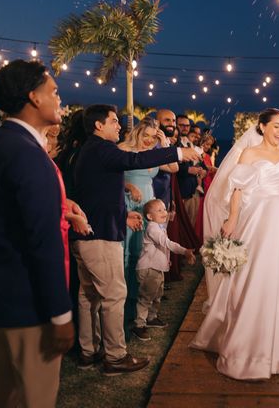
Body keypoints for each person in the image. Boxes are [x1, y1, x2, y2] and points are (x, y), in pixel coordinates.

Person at [190, 108, 279, 380]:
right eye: (277, 126)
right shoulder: (250, 153)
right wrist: (232, 219)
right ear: (262, 126)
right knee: (254, 275)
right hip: (257, 218)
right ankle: (247, 352)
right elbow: (238, 190)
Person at [0, 60, 74, 407]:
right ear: (34, 97)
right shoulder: (29, 156)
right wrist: (60, 314)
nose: (60, 99)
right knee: (34, 398)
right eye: (54, 92)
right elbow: (42, 241)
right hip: (29, 306)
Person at [72, 104, 200, 375]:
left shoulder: (90, 150)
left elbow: (98, 196)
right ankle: (115, 357)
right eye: (114, 121)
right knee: (114, 294)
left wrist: (124, 216)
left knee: (89, 296)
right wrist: (178, 151)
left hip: (89, 231)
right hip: (100, 235)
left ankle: (88, 351)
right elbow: (136, 160)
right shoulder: (102, 149)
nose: (119, 126)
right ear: (98, 125)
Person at [118, 117, 179, 327]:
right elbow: (109, 174)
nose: (148, 141)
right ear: (137, 131)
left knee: (146, 250)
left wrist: (164, 145)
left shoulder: (154, 152)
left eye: (153, 137)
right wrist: (127, 186)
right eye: (146, 136)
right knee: (130, 251)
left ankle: (141, 306)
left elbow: (174, 168)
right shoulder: (123, 148)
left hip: (148, 202)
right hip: (129, 201)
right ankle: (126, 307)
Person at [132, 199, 195, 341]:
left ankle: (152, 318)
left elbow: (162, 246)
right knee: (146, 298)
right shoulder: (153, 228)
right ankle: (139, 325)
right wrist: (184, 251)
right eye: (159, 210)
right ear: (149, 217)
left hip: (157, 268)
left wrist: (166, 260)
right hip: (149, 269)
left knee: (157, 294)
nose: (164, 212)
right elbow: (166, 243)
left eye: (164, 209)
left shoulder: (160, 226)